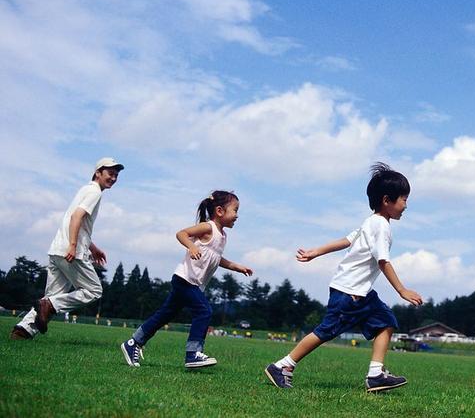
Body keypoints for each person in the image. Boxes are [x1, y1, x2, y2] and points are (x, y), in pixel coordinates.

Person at [265, 163, 423, 392]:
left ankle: (376, 374)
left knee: (387, 322)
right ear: (387, 200)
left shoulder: (371, 222)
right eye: (404, 199)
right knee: (325, 331)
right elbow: (383, 261)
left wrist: (316, 251)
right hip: (349, 292)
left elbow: (347, 240)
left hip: (361, 293)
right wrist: (402, 290)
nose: (406, 205)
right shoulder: (380, 226)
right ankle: (282, 366)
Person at [121, 190, 253, 369]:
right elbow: (181, 233)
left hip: (193, 284)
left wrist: (236, 267)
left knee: (164, 315)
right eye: (235, 210)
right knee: (204, 311)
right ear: (220, 211)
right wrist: (191, 246)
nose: (237, 215)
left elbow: (215, 257)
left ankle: (133, 343)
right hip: (185, 279)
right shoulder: (207, 227)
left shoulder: (222, 236)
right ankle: (193, 354)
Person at [11, 157, 124, 340]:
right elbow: (76, 218)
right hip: (71, 251)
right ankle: (49, 305)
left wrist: (92, 247)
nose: (113, 178)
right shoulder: (95, 192)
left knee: (53, 296)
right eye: (110, 173)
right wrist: (73, 245)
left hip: (57, 248)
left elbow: (77, 220)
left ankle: (22, 331)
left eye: (116, 175)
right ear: (98, 173)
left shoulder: (85, 189)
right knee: (94, 290)